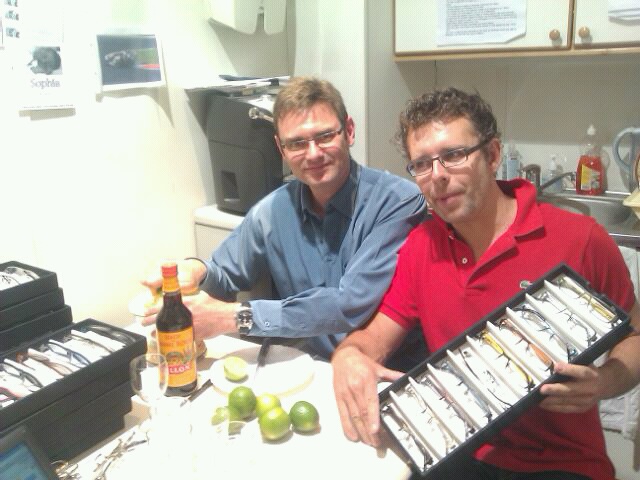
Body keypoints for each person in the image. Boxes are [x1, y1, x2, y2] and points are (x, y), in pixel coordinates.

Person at [331, 87, 640, 479]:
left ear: (493, 155)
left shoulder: (579, 238)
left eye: (454, 155)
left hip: (562, 461)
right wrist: (349, 357)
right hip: (453, 447)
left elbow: (635, 334)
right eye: (422, 164)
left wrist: (605, 381)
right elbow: (373, 339)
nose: (438, 176)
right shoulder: (420, 247)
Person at [141, 76, 425, 361]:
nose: (313, 154)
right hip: (309, 368)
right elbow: (225, 273)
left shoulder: (398, 202)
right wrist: (195, 270)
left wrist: (235, 317)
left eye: (325, 136)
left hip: (382, 370)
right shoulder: (273, 211)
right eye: (297, 143)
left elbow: (348, 304)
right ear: (281, 149)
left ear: (349, 131)